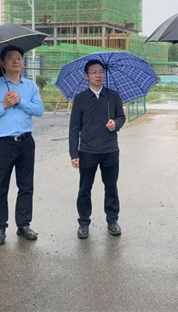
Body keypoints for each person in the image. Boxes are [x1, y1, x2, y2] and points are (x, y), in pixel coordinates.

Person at [0, 46, 44, 245]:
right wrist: (4, 105)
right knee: (0, 188)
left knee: (26, 186)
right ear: (2, 63)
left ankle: (23, 225)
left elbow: (39, 110)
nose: (16, 61)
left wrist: (21, 101)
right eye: (11, 58)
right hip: (3, 144)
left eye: (19, 58)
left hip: (26, 142)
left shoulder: (30, 86)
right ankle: (0, 227)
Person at [69, 60, 126, 239]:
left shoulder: (113, 96)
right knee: (84, 189)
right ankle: (84, 222)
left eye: (101, 71)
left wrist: (115, 124)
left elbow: (121, 117)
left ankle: (112, 220)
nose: (98, 75)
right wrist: (74, 153)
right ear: (86, 76)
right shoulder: (80, 99)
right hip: (87, 151)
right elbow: (74, 128)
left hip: (110, 150)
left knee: (111, 187)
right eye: (93, 72)